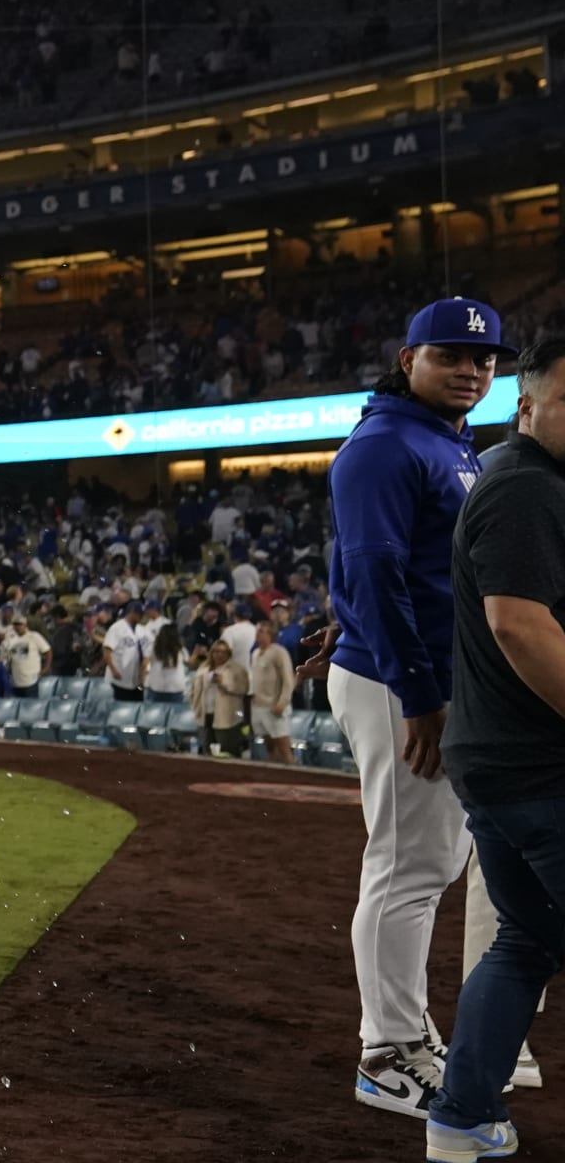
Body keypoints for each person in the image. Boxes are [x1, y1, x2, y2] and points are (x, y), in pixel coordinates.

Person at [331, 298, 513, 1119]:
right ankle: (386, 1052)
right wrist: (419, 696)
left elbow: (405, 568)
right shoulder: (386, 444)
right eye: (451, 355)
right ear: (408, 360)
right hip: (404, 684)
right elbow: (375, 570)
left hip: (418, 676)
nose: (472, 370)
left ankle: (405, 1032)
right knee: (408, 868)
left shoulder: (440, 439)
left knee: (427, 865)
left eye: (485, 359)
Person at [431, 333, 565, 1161]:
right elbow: (519, 624)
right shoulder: (528, 489)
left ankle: (462, 1116)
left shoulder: (527, 480)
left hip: (502, 759)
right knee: (525, 937)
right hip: (538, 765)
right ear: (528, 404)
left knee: (528, 938)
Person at [249, 619, 297, 766]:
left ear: (271, 634)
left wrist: (282, 702)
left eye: (261, 631)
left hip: (273, 704)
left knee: (282, 744)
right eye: (257, 630)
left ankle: (292, 772)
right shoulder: (255, 653)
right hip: (258, 704)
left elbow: (288, 680)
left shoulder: (279, 652)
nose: (257, 633)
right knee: (268, 744)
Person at [196, 639, 252, 758]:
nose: (219, 654)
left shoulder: (237, 669)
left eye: (223, 652)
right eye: (216, 651)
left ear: (228, 653)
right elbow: (194, 690)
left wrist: (223, 682)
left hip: (227, 718)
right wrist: (196, 706)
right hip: (206, 716)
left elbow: (243, 689)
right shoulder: (203, 668)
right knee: (207, 751)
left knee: (228, 752)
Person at [104, 601, 147, 702]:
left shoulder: (141, 629)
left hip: (135, 679)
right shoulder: (117, 628)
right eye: (139, 613)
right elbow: (107, 651)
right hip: (119, 678)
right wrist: (113, 670)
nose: (141, 616)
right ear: (131, 612)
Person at [1, 614, 52, 697]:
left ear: (25, 625)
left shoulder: (34, 636)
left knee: (30, 706)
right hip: (16, 681)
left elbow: (48, 651)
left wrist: (46, 668)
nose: (17, 627)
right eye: (15, 624)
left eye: (19, 624)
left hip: (31, 680)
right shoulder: (10, 638)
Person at [144, 617, 191, 706]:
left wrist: (142, 680)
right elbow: (189, 662)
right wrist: (196, 654)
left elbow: (144, 664)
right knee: (173, 717)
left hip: (156, 687)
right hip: (175, 689)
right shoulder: (181, 649)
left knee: (155, 717)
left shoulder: (153, 648)